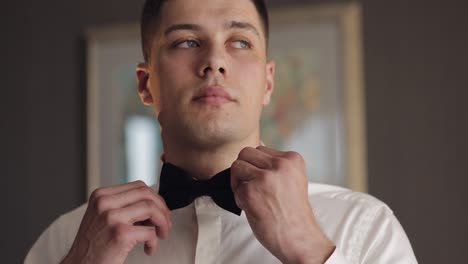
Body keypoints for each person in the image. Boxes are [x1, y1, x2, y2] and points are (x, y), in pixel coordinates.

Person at [25, 0, 418, 263]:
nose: (214, 60)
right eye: (187, 42)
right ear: (146, 84)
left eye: (240, 41)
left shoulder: (365, 226)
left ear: (268, 83)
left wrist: (310, 252)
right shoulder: (67, 241)